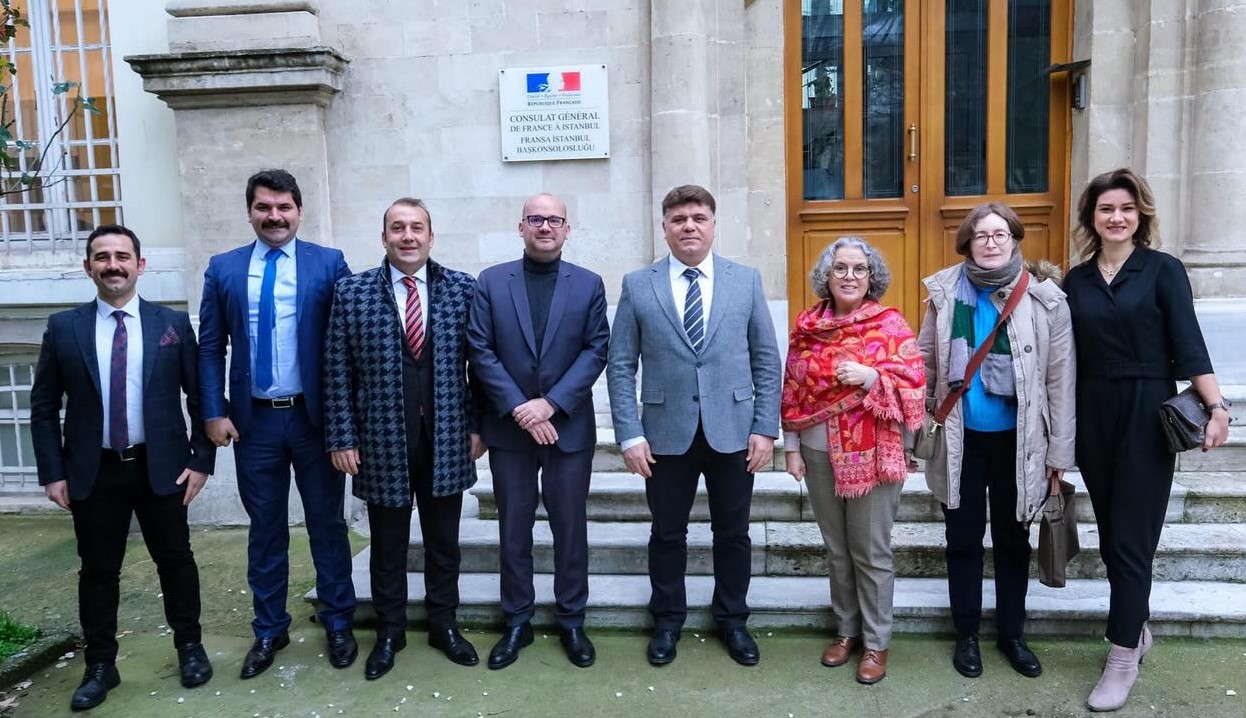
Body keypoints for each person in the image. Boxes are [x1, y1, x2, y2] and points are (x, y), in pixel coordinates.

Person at [1063, 168, 1231, 712]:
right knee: (1113, 536)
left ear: (1141, 215)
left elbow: (1190, 343)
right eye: (1106, 209)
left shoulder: (1163, 270)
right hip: (1092, 411)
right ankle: (1136, 627)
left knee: (1133, 539)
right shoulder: (1076, 281)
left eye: (1126, 208)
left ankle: (1121, 654)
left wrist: (1217, 407)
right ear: (1092, 217)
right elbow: (1063, 356)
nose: (1117, 217)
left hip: (1145, 410)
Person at [31, 225, 216, 710]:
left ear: (140, 264)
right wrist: (53, 472)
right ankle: (100, 665)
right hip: (94, 470)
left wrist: (201, 460)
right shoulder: (64, 327)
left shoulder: (170, 324)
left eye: (122, 256)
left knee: (175, 560)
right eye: (102, 256)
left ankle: (190, 647)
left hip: (162, 467)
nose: (112, 265)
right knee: (98, 570)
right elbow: (44, 405)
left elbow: (200, 397)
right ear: (88, 266)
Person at [607, 184, 782, 667]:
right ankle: (667, 621)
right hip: (664, 434)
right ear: (664, 227)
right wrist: (629, 433)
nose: (689, 226)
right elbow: (620, 365)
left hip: (734, 429)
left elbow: (766, 360)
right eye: (679, 219)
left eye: (698, 218)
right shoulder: (638, 285)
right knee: (667, 533)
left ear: (713, 225)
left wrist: (765, 427)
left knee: (734, 533)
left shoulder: (744, 281)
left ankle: (733, 620)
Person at [198, 169, 357, 678]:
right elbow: (210, 347)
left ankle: (338, 620)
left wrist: (348, 421)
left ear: (299, 211)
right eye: (264, 207)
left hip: (315, 421)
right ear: (249, 212)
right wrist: (213, 410)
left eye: (284, 207)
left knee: (327, 525)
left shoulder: (328, 263)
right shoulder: (223, 269)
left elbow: (349, 342)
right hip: (255, 424)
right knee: (265, 530)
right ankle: (269, 628)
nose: (274, 216)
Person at [324, 197, 485, 680]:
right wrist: (342, 437)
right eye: (398, 228)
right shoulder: (352, 292)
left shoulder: (463, 289)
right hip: (381, 441)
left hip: (447, 437)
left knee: (443, 543)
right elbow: (337, 370)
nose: (408, 236)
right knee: (387, 545)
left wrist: (479, 425)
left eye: (417, 227)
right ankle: (389, 632)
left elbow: (482, 366)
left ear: (431, 237)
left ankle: (444, 625)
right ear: (384, 237)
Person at [917, 202, 1076, 680]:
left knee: (1012, 540)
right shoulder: (944, 293)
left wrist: (1060, 451)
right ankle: (966, 635)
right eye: (981, 235)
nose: (990, 243)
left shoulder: (1045, 300)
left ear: (1014, 239)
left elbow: (1060, 380)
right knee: (962, 540)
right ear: (967, 242)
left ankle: (1012, 635)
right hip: (960, 441)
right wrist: (918, 427)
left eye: (999, 234)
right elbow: (925, 365)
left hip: (1019, 443)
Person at [467, 193, 610, 669]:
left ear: (567, 229)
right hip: (510, 432)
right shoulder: (491, 282)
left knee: (570, 529)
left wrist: (550, 405)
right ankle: (517, 621)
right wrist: (519, 408)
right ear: (521, 227)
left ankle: (572, 620)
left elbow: (596, 349)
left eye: (554, 220)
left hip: (568, 428)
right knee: (513, 528)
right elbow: (480, 350)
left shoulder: (588, 284)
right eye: (535, 219)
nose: (544, 226)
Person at [780, 237, 926, 684]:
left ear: (871, 276)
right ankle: (846, 631)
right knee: (837, 550)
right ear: (826, 275)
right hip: (817, 451)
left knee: (871, 551)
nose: (849, 276)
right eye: (840, 268)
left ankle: (876, 642)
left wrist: (871, 377)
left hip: (875, 455)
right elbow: (792, 389)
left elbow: (914, 385)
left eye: (859, 269)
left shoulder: (891, 325)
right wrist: (791, 447)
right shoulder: (807, 328)